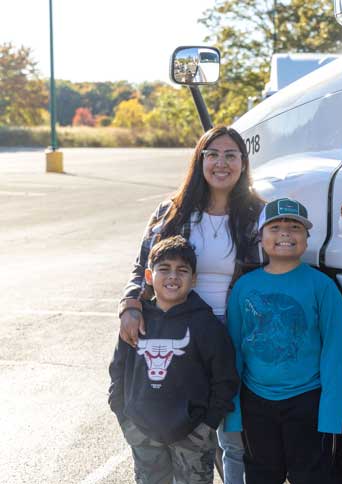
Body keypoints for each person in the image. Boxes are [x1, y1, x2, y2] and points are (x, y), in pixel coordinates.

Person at [117, 126, 264, 484]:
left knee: (233, 433)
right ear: (199, 161)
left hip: (235, 333)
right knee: (183, 429)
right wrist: (130, 304)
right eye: (212, 154)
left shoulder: (257, 214)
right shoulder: (173, 212)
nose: (221, 163)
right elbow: (143, 266)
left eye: (231, 155)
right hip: (181, 329)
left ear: (244, 163)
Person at [224, 198, 342, 484]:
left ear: (306, 238)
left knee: (311, 477)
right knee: (262, 476)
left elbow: (335, 354)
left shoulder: (322, 287)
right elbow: (234, 352)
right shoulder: (245, 287)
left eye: (294, 227)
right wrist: (234, 413)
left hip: (307, 402)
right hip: (256, 403)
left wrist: (331, 414)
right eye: (275, 227)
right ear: (261, 236)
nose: (284, 234)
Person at [109, 235, 239, 484]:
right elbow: (117, 370)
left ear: (194, 279)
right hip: (143, 432)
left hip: (193, 435)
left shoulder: (206, 325)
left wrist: (207, 426)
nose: (172, 276)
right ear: (149, 276)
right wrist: (125, 418)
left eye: (182, 270)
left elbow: (225, 379)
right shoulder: (136, 321)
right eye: (164, 269)